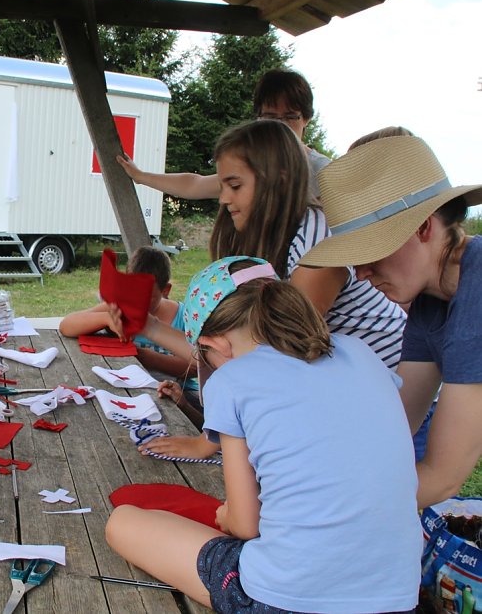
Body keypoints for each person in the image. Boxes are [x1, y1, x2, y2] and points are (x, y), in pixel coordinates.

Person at [105, 257, 421, 613]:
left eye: (203, 355)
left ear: (217, 346)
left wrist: (226, 517)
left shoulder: (231, 378)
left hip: (280, 598)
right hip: (397, 597)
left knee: (123, 523)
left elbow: (245, 524)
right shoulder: (361, 353)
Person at [140, 119, 406, 461]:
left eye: (235, 186)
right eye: (222, 185)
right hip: (345, 394)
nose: (223, 198)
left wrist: (211, 441)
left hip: (389, 389)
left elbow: (276, 354)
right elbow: (230, 348)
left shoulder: (317, 241)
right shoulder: (270, 243)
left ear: (278, 178)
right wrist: (147, 327)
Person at [299, 134, 482, 508]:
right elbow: (396, 425)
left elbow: (442, 475)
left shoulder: (473, 302)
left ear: (423, 228)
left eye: (371, 252)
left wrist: (313, 512)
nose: (362, 273)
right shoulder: (432, 301)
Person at [116, 68, 331, 200]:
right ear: (258, 118)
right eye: (271, 118)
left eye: (290, 117)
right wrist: (141, 176)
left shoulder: (324, 172)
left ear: (307, 118)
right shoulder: (250, 165)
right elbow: (194, 185)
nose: (280, 127)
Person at [58, 247, 203, 425]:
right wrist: (106, 318)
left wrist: (146, 358)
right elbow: (66, 325)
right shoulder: (120, 307)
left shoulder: (183, 317)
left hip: (178, 392)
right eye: (131, 294)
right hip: (128, 390)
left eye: (145, 296)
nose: (136, 302)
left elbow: (197, 368)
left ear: (166, 290)